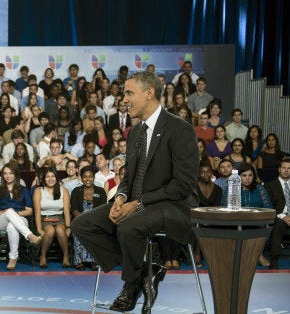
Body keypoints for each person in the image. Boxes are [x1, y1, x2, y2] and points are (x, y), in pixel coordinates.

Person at [72, 71, 199, 312]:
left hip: (171, 204)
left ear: (150, 93)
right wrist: (121, 197)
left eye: (130, 93)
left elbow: (182, 185)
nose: (124, 99)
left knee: (129, 226)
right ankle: (144, 274)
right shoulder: (136, 132)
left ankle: (131, 286)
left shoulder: (180, 129)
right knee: (82, 225)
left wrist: (137, 204)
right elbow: (129, 174)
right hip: (135, 201)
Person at [0, 161, 42, 270]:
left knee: (12, 226)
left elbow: (29, 211)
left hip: (21, 219)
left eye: (10, 173)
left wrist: (16, 214)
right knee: (9, 212)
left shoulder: (23, 190)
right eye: (5, 173)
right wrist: (7, 213)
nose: (8, 176)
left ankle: (13, 258)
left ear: (15, 175)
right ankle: (30, 236)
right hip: (1, 221)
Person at [33, 167, 71, 268]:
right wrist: (39, 229)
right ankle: (43, 256)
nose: (50, 179)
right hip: (44, 217)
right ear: (44, 179)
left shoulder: (64, 191)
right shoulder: (39, 190)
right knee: (50, 231)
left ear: (56, 178)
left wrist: (68, 227)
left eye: (53, 176)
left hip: (59, 217)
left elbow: (67, 211)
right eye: (47, 177)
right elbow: (37, 212)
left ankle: (66, 256)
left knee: (59, 230)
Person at [70, 165, 107, 270]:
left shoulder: (100, 191)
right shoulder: (76, 191)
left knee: (96, 231)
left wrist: (93, 221)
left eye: (90, 176)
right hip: (80, 220)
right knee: (78, 231)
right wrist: (84, 220)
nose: (88, 179)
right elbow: (74, 210)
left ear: (94, 178)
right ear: (81, 178)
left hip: (96, 220)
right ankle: (79, 261)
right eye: (85, 177)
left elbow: (103, 209)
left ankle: (95, 260)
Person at [265, 158, 290, 269]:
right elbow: (269, 205)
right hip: (279, 216)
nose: (286, 170)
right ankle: (274, 260)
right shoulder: (270, 185)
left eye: (289, 168)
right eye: (284, 168)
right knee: (278, 225)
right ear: (279, 170)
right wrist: (284, 216)